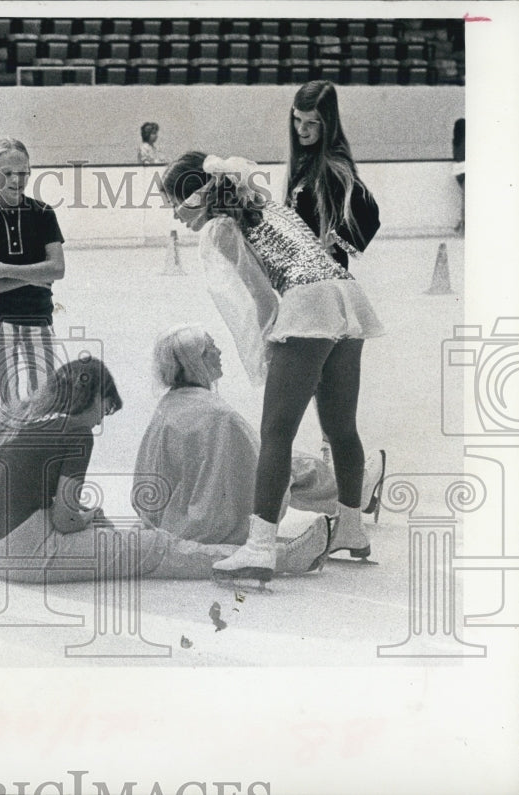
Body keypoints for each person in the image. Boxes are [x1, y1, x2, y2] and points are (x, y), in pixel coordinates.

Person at [162, 151, 384, 582]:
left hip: (307, 306)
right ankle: (352, 529)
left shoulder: (221, 229)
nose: (174, 214)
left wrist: (269, 345)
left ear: (200, 195)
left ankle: (260, 547)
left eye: (176, 201)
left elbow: (260, 299)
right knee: (341, 427)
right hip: (345, 295)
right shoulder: (264, 205)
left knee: (275, 434)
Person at [0, 357, 329, 583]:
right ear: (92, 399)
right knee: (154, 546)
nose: (98, 423)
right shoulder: (75, 431)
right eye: (104, 411)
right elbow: (64, 520)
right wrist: (88, 520)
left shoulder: (19, 418)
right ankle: (285, 559)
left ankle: (267, 554)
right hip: (23, 554)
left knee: (126, 537)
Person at [134, 324, 386, 545]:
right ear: (194, 362)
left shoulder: (169, 404)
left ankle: (355, 495)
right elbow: (259, 465)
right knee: (300, 467)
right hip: (202, 518)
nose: (219, 352)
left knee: (299, 466)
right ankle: (356, 493)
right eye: (210, 348)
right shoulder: (219, 414)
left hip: (174, 515)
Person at [0, 137, 65, 425]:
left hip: (39, 316)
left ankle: (37, 459)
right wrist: (34, 277)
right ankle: (6, 460)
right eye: (7, 173)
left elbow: (57, 269)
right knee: (4, 401)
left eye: (23, 172)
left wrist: (6, 270)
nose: (16, 179)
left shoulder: (44, 214)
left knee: (43, 397)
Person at [286, 81, 380, 270]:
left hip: (323, 273)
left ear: (327, 123)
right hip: (303, 269)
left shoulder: (334, 165)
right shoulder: (307, 155)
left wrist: (336, 240)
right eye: (297, 119)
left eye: (311, 122)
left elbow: (369, 213)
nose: (301, 130)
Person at [452, 118, 465, 234]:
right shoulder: (466, 140)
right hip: (466, 168)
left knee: (465, 198)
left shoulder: (455, 140)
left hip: (458, 169)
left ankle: (462, 222)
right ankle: (463, 223)